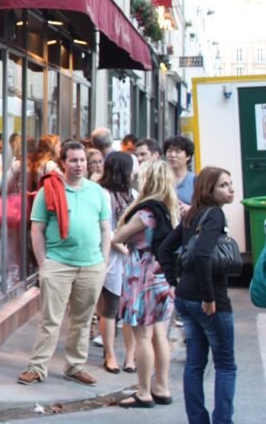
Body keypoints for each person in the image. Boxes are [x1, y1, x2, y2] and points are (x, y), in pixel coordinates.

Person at [18, 140, 110, 387]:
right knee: (51, 320)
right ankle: (37, 367)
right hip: (58, 264)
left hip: (91, 265)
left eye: (82, 160)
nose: (79, 165)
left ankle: (75, 366)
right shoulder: (49, 190)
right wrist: (43, 264)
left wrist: (103, 262)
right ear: (63, 163)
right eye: (74, 160)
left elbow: (105, 229)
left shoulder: (97, 192)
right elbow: (36, 230)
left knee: (82, 319)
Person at [158, 167, 237, 424]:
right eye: (224, 185)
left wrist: (173, 281)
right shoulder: (214, 215)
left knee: (195, 363)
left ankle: (197, 420)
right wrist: (209, 297)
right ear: (209, 190)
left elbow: (165, 248)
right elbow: (203, 255)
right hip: (208, 300)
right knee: (225, 365)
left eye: (230, 184)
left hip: (185, 296)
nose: (231, 189)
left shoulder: (193, 214)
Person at [111, 160, 177, 408]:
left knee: (142, 336)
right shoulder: (169, 210)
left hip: (141, 278)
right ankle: (162, 387)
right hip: (161, 276)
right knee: (160, 335)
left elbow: (117, 236)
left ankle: (143, 392)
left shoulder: (145, 213)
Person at [94, 152, 137, 374]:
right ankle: (109, 354)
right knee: (109, 308)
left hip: (132, 258)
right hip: (112, 256)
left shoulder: (134, 194)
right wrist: (122, 246)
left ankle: (130, 357)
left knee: (130, 309)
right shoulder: (103, 194)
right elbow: (104, 228)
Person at [163, 135, 196, 207]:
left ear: (188, 156)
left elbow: (204, 208)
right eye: (169, 151)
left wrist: (189, 209)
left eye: (178, 151)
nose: (172, 155)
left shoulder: (196, 181)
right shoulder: (159, 179)